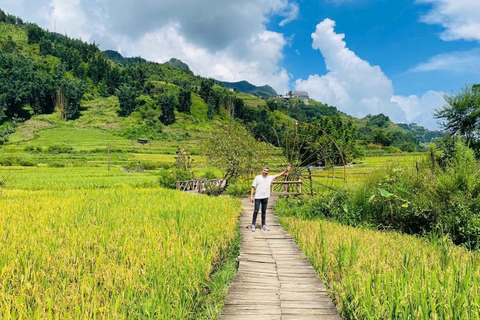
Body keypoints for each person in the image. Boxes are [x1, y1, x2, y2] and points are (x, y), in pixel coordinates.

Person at [250, 164, 291, 231]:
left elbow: (279, 174)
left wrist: (286, 170)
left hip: (265, 197)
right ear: (262, 171)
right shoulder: (258, 177)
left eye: (267, 171)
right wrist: (251, 196)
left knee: (264, 211)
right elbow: (253, 187)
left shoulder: (270, 177)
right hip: (258, 197)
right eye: (264, 170)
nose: (265, 172)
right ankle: (253, 224)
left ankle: (264, 225)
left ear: (268, 172)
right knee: (256, 210)